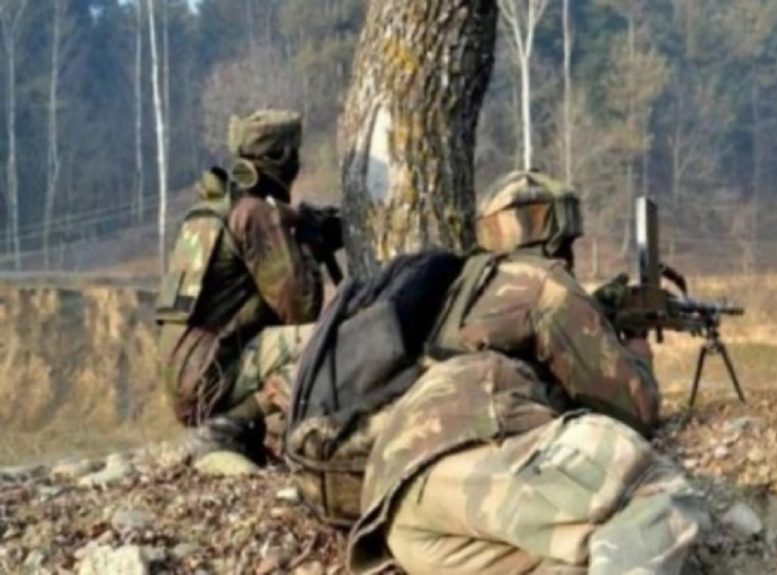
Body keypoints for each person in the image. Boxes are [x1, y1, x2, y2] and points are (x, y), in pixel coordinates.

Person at [347, 171, 704, 575]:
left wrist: (597, 311)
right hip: (471, 462)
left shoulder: (459, 288)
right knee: (653, 489)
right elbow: (633, 409)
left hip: (399, 513)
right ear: (558, 237)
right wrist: (637, 350)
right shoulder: (542, 282)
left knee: (579, 557)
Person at [155, 109, 324, 460]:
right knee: (329, 340)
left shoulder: (211, 212)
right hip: (212, 381)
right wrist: (307, 247)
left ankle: (244, 431)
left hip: (186, 380)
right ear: (283, 158)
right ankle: (229, 426)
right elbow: (302, 309)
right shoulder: (254, 215)